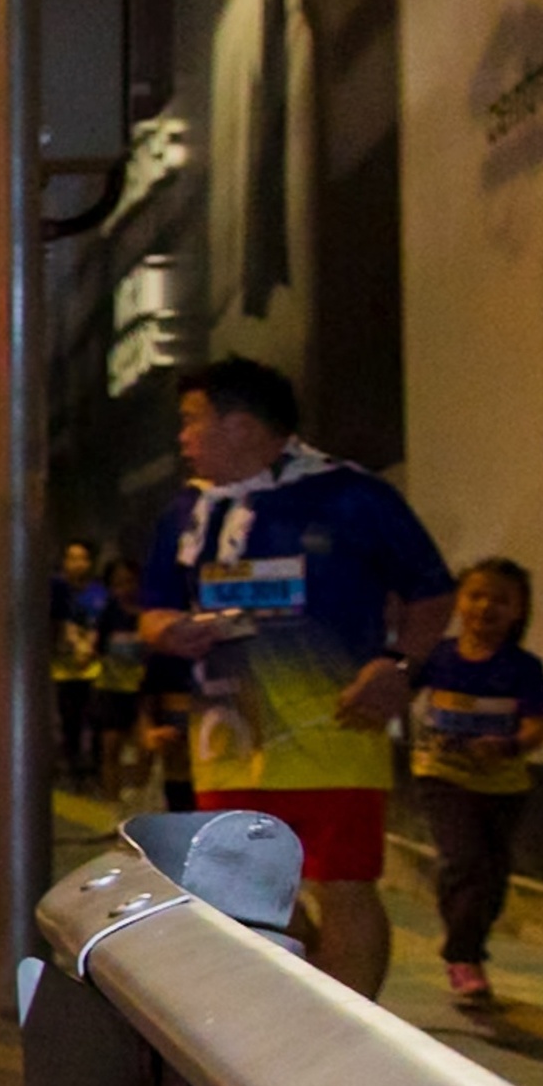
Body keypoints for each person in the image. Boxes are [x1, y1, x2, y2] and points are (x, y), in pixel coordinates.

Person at [137, 357, 455, 999]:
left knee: (343, 884)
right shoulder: (188, 513)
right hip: (228, 736)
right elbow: (153, 612)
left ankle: (350, 1028)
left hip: (336, 724)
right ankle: (308, 998)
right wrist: (169, 630)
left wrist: (398, 666)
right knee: (240, 893)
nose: (183, 438)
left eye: (193, 421)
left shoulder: (353, 497)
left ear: (242, 425)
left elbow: (433, 592)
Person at [410, 556, 543, 1005]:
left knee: (492, 876)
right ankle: (463, 957)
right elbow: (399, 693)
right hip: (442, 777)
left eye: (501, 599)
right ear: (459, 601)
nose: (486, 607)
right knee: (463, 860)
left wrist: (508, 746)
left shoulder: (523, 668)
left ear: (519, 610)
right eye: (476, 595)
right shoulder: (437, 657)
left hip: (503, 787)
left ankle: (467, 940)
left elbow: (537, 726)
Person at [95, 553, 153, 804]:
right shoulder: (109, 614)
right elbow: (99, 648)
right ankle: (112, 804)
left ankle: (139, 796)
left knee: (146, 747)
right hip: (112, 688)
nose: (125, 589)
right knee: (111, 747)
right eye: (118, 583)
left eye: (130, 581)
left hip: (144, 690)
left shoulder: (151, 613)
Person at [52, 540, 110, 787]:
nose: (77, 564)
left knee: (97, 720)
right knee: (70, 721)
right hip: (63, 669)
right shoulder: (55, 591)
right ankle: (73, 767)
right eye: (72, 558)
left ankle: (96, 768)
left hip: (95, 667)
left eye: (82, 558)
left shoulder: (99, 593)